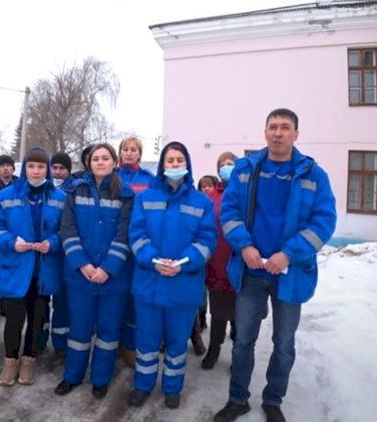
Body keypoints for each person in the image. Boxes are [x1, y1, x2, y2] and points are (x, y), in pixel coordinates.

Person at [214, 109, 336, 422]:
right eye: (272, 127)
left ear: (296, 134)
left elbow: (324, 222)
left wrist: (289, 254)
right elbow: (229, 212)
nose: (278, 133)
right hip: (251, 270)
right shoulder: (245, 169)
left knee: (283, 344)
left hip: (289, 273)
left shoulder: (313, 175)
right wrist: (245, 245)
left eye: (284, 127)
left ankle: (273, 401)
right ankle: (237, 399)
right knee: (243, 341)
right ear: (265, 132)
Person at [128, 141, 216, 409]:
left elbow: (207, 240)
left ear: (187, 164)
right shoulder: (145, 198)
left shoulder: (201, 202)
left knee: (177, 342)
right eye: (170, 160)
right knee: (146, 340)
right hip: (150, 283)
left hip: (183, 284)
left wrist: (182, 263)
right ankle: (143, 385)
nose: (175, 164)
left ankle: (172, 387)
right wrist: (154, 260)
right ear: (162, 165)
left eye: (180, 160)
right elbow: (136, 235)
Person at [54, 143, 133, 399]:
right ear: (89, 163)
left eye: (105, 158)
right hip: (81, 276)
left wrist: (107, 268)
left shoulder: (126, 195)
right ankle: (72, 376)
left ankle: (101, 379)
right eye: (96, 158)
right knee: (79, 329)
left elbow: (125, 234)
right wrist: (83, 264)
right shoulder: (75, 190)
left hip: (113, 278)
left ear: (114, 162)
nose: (100, 162)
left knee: (108, 332)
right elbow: (67, 229)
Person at [0, 147, 65, 387]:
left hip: (43, 269)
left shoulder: (60, 198)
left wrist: (52, 243)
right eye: (31, 166)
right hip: (15, 267)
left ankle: (28, 360)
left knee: (37, 319)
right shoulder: (5, 196)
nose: (36, 171)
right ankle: (10, 361)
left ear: (47, 170)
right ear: (24, 168)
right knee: (14, 319)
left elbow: (66, 231)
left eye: (40, 166)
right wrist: (11, 242)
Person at [115, 136, 155, 368]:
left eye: (134, 150)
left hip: (138, 247)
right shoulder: (111, 176)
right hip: (113, 243)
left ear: (140, 154)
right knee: (113, 296)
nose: (129, 153)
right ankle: (111, 342)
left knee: (133, 297)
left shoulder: (148, 180)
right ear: (120, 152)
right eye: (125, 149)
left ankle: (129, 345)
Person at [202, 152, 238, 370]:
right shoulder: (211, 197)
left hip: (241, 263)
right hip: (217, 264)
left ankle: (238, 355)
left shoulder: (246, 192)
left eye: (230, 163)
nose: (226, 167)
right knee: (217, 312)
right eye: (222, 164)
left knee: (241, 315)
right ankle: (213, 349)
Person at [37, 151, 74, 356]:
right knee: (41, 300)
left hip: (63, 255)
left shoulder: (74, 191)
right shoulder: (41, 189)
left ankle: (61, 344)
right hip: (42, 255)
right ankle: (39, 339)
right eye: (55, 168)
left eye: (62, 168)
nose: (58, 172)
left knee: (62, 302)